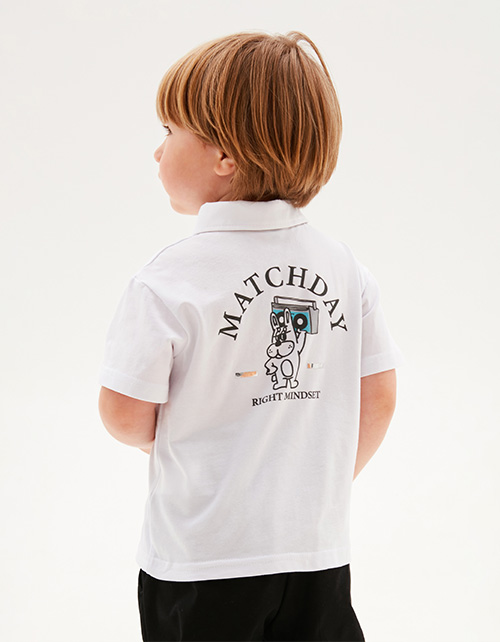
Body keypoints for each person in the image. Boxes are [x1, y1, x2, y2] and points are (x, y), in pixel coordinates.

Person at [98, 31, 403, 642]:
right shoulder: (345, 269)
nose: (157, 151)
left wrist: (187, 435)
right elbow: (380, 397)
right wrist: (316, 483)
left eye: (169, 131)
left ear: (224, 157)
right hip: (315, 551)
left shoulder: (168, 280)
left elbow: (123, 413)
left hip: (204, 559)